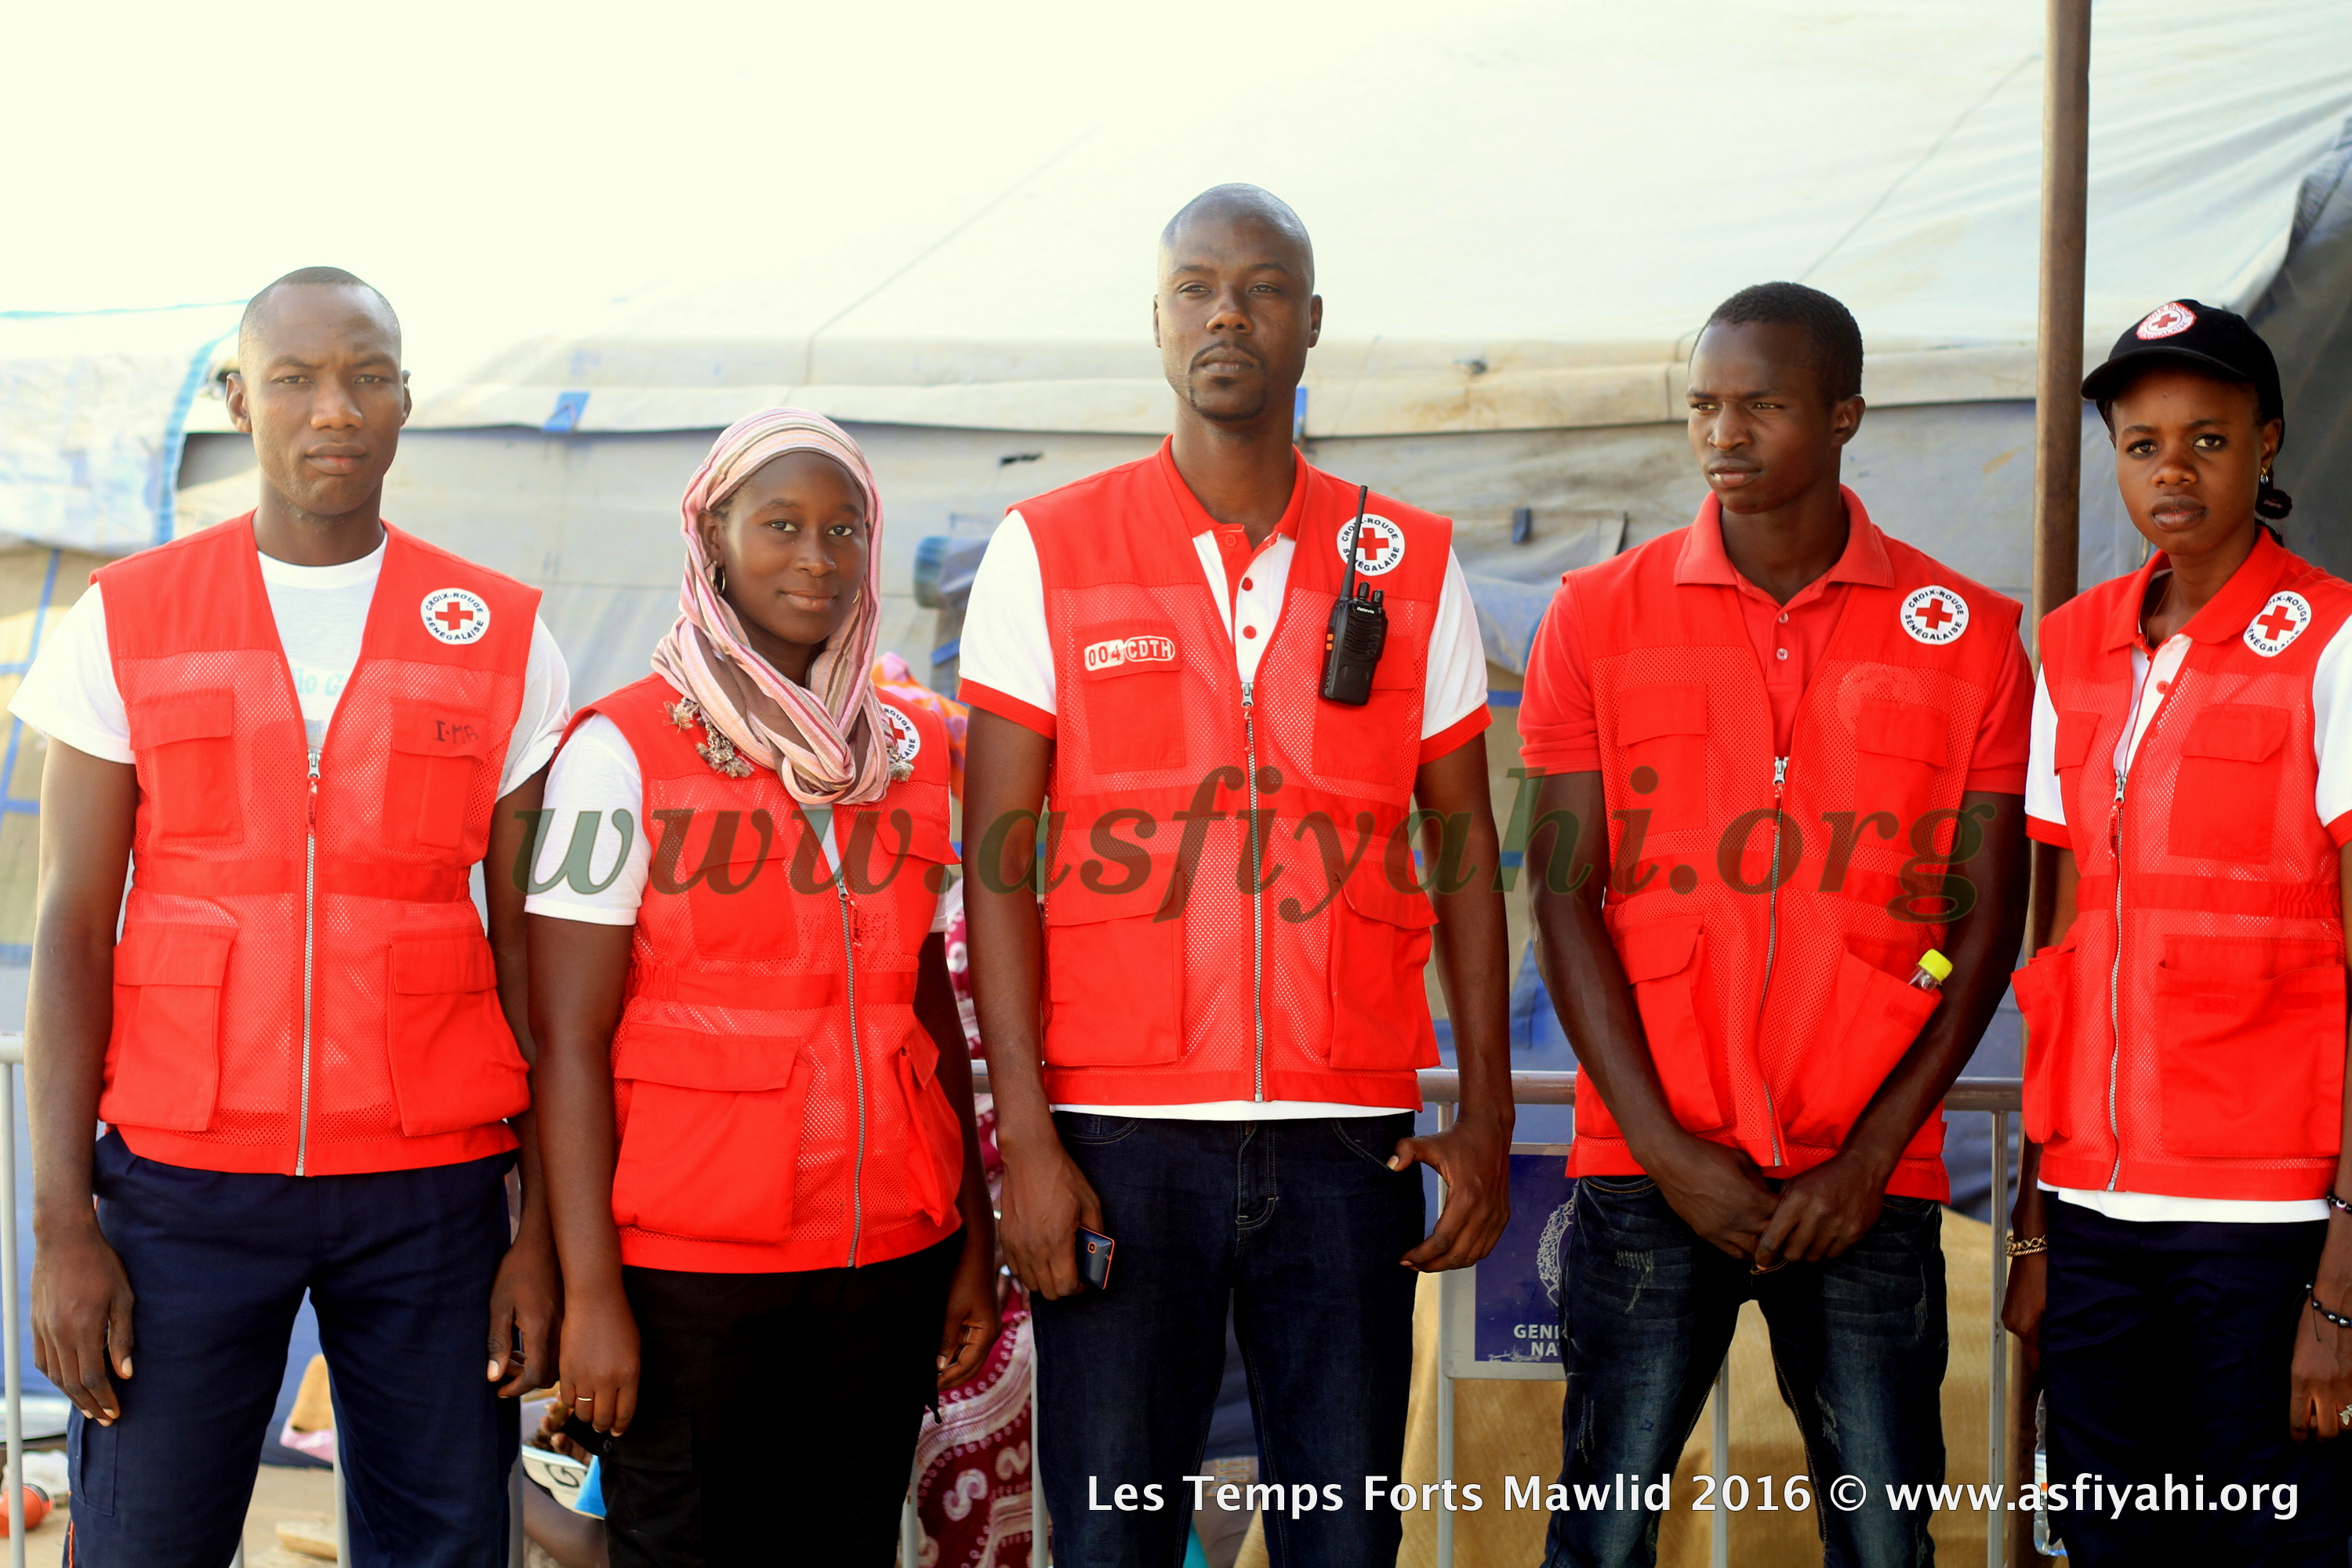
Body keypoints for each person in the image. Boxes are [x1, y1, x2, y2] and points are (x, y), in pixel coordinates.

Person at [958, 183, 1513, 1568]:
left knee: (1342, 1539)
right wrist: (1025, 1138)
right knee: (1112, 1540)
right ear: (1156, 322)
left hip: (1348, 1142)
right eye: (1197, 286)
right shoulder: (1049, 549)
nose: (1228, 311)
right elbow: (999, 868)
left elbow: (1466, 859)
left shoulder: (1411, 564)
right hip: (1117, 1145)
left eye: (1262, 287)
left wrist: (1489, 1115)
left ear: (1311, 322)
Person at [13, 267, 572, 1566]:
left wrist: (541, 1230)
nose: (337, 409)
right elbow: (72, 924)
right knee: (147, 1538)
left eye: (369, 376)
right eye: (297, 377)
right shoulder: (128, 619)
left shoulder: (499, 633)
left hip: (432, 1191)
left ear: (405, 398)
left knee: (442, 1541)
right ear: (236, 397)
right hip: (180, 1187)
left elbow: (532, 952)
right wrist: (61, 1226)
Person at [1520, 281, 2032, 1567]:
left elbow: (1983, 923)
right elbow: (1563, 897)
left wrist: (1867, 1160)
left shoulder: (1969, 636)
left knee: (1884, 1544)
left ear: (1846, 414)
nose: (1723, 434)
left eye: (1763, 405)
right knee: (1604, 1533)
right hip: (1648, 1176)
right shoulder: (1596, 615)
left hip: (1867, 1182)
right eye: (1704, 405)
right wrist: (1664, 1147)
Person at [530, 408, 999, 1566]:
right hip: (689, 1273)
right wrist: (591, 1294)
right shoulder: (619, 753)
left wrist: (967, 1235)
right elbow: (568, 1040)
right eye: (780, 525)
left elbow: (921, 1000)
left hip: (885, 1257)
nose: (817, 558)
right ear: (713, 538)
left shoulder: (909, 752)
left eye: (844, 530)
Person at [2003, 300, 2352, 1564]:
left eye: (2207, 438)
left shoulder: (2334, 641)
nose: (2173, 469)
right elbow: (2063, 955)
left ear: (2267, 444)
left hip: (2267, 1225)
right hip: (2095, 1216)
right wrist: (2038, 1224)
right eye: (2143, 442)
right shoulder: (2071, 650)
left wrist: (2342, 1292)